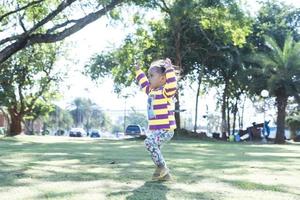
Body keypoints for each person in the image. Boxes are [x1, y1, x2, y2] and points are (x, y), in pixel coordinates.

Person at [135, 58, 177, 181]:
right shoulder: (151, 91)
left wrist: (169, 69)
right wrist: (138, 71)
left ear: (162, 79)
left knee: (149, 143)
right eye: (149, 76)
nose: (149, 78)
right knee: (154, 149)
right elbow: (143, 83)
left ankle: (162, 167)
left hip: (165, 129)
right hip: (155, 130)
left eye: (152, 76)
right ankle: (164, 174)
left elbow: (172, 85)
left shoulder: (165, 92)